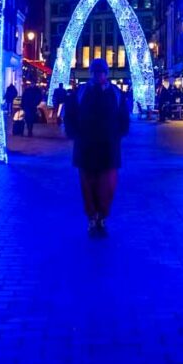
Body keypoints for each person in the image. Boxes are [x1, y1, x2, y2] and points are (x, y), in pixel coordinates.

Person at [64, 58, 131, 237]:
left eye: (101, 72)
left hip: (109, 147)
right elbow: (69, 114)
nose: (98, 75)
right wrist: (75, 133)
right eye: (95, 72)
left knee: (107, 186)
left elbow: (124, 117)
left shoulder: (116, 93)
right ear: (91, 73)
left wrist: (119, 133)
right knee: (88, 186)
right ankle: (92, 217)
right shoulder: (82, 92)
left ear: (106, 74)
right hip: (86, 147)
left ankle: (102, 215)